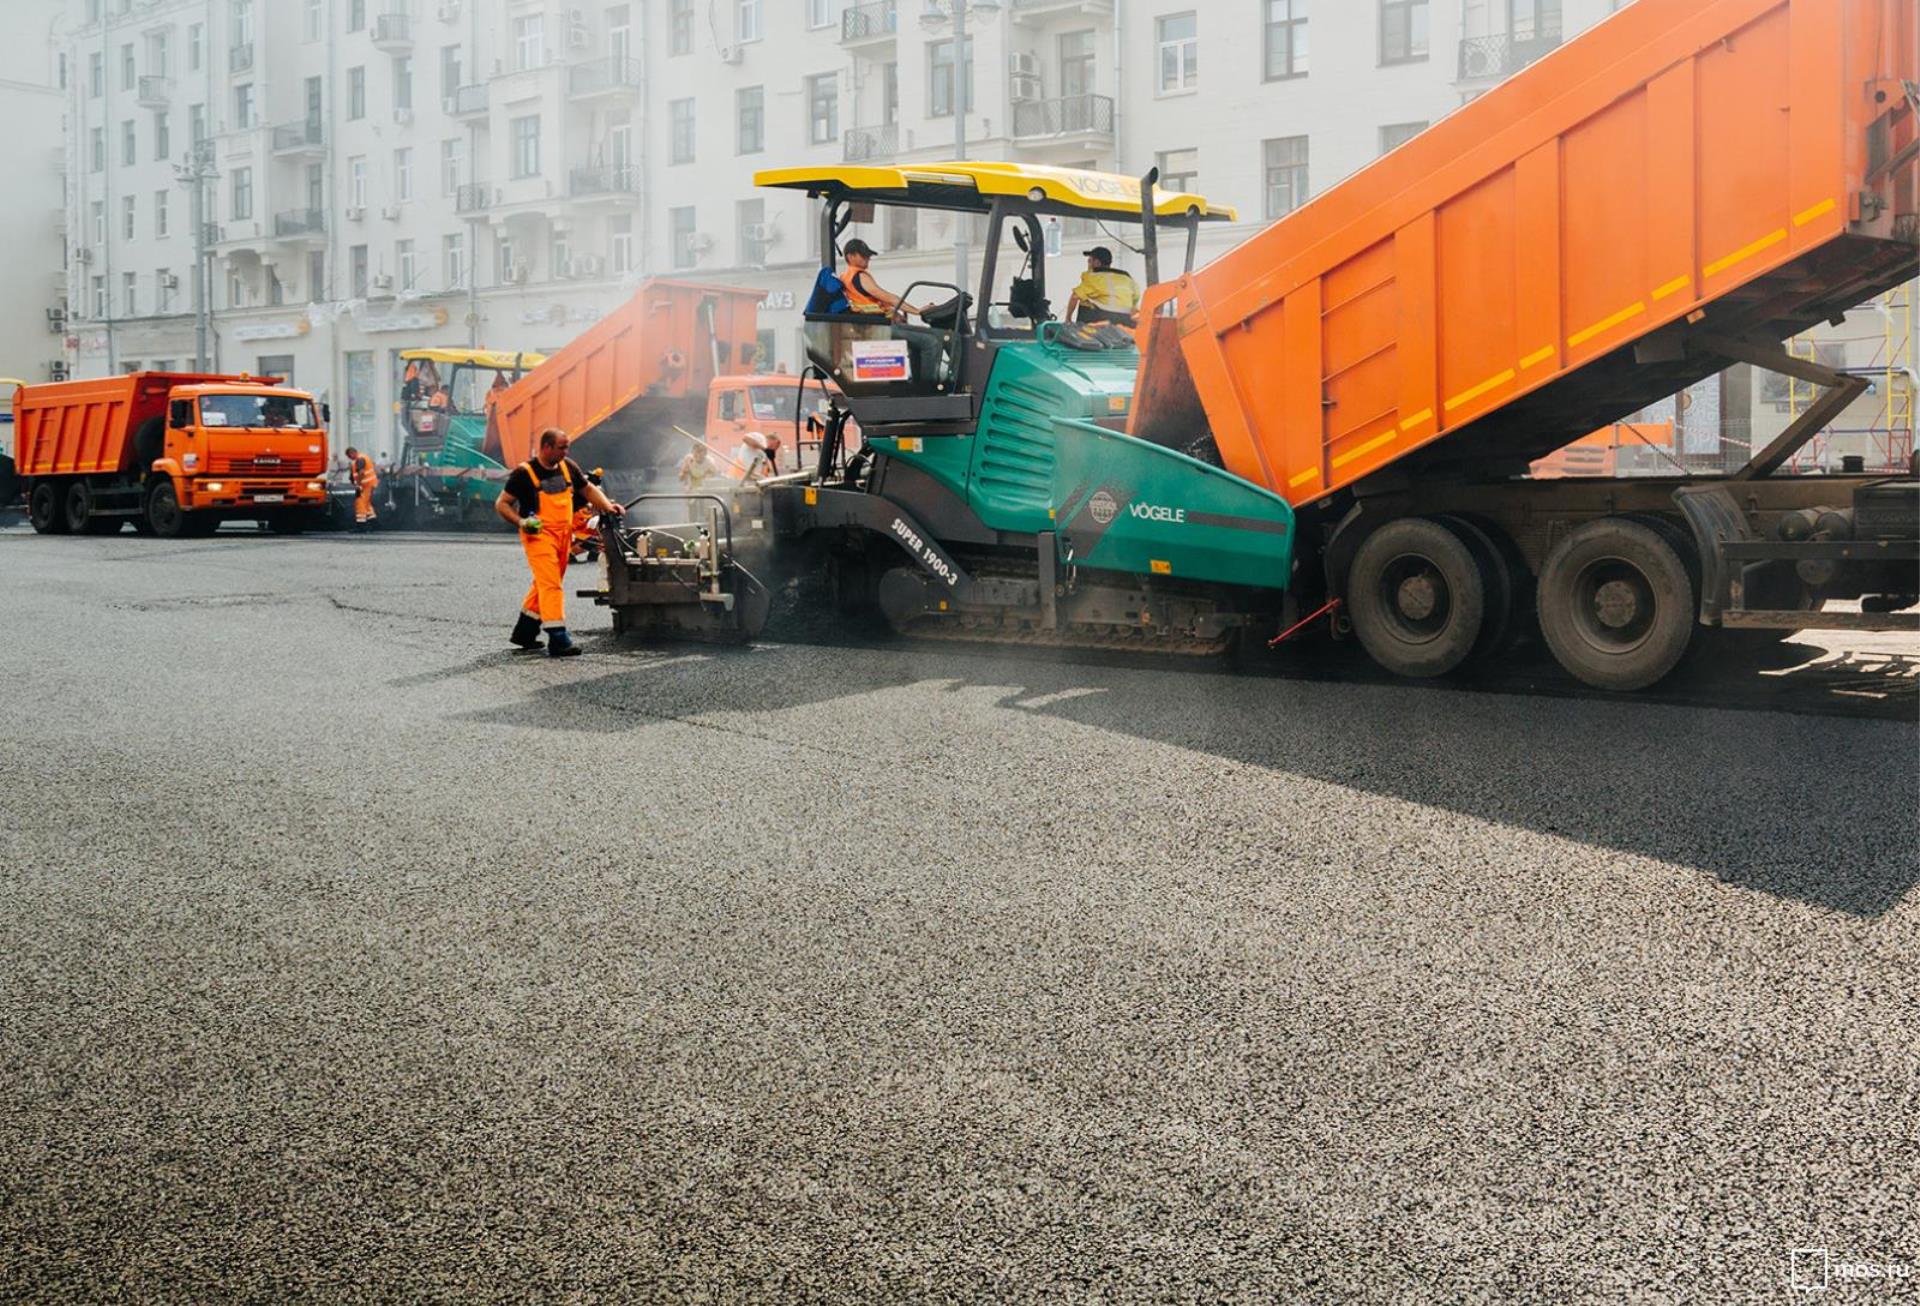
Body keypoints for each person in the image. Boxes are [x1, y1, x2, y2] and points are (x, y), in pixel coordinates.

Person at [495, 428, 625, 658]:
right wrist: (522, 522)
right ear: (546, 447)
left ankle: (524, 632)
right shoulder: (525, 473)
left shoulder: (567, 467)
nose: (566, 451)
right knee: (551, 584)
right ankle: (558, 638)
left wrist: (607, 506)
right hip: (539, 535)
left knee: (545, 582)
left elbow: (587, 489)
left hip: (564, 534)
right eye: (561, 447)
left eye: (567, 447)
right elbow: (502, 504)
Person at [1064, 246, 1140, 327]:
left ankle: (1082, 329)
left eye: (1090, 261)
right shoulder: (1127, 278)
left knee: (1084, 300)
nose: (1088, 265)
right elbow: (1136, 298)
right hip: (1126, 321)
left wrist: (1068, 319)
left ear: (1097, 263)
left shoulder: (1094, 277)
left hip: (1102, 320)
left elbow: (1075, 297)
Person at [345, 446, 378, 529]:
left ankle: (361, 524)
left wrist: (358, 485)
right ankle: (373, 522)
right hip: (368, 484)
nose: (349, 458)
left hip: (365, 485)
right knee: (366, 503)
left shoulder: (360, 459)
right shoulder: (361, 458)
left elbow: (361, 472)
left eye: (349, 456)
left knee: (360, 502)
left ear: (353, 453)